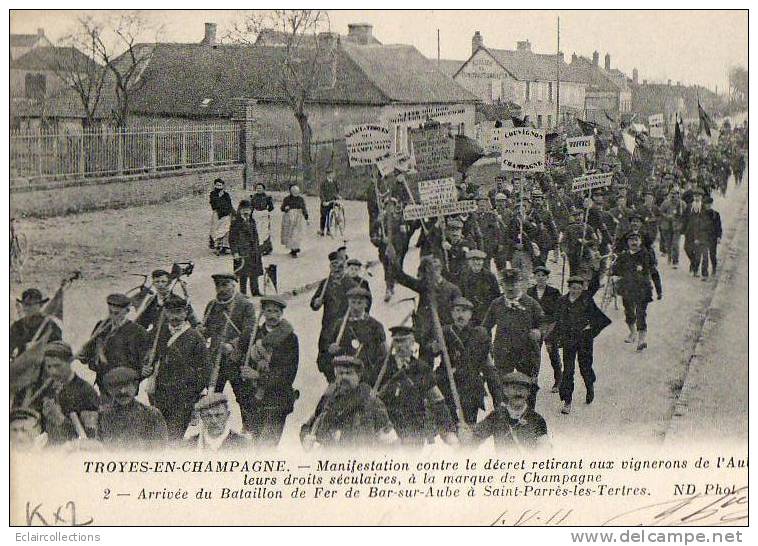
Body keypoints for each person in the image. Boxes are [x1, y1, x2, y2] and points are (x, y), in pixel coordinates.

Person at [372, 325, 456, 447]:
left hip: (413, 429)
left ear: (412, 343)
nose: (400, 346)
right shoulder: (382, 366)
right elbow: (370, 395)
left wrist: (449, 431)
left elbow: (437, 401)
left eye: (404, 341)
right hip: (387, 428)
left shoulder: (422, 368)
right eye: (397, 341)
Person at [143, 295, 210, 442]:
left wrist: (193, 393)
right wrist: (145, 369)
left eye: (178, 312)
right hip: (159, 394)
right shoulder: (157, 334)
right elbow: (146, 356)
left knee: (174, 435)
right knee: (160, 433)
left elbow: (205, 370)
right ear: (165, 313)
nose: (174, 316)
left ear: (186, 313)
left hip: (183, 397)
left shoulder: (195, 337)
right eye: (170, 312)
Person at [200, 273, 257, 433]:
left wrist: (233, 345)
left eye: (225, 285)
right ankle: (213, 430)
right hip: (215, 362)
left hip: (236, 360)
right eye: (218, 286)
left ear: (234, 285)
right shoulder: (212, 305)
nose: (221, 289)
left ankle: (249, 430)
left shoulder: (245, 305)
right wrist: (202, 332)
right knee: (212, 397)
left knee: (244, 398)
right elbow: (208, 330)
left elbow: (250, 330)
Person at [239, 295, 299, 448]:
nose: (273, 315)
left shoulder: (290, 339)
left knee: (267, 447)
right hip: (253, 400)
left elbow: (287, 374)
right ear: (263, 312)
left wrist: (258, 376)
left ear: (282, 314)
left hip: (276, 400)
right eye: (269, 311)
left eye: (277, 312)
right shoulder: (253, 335)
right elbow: (241, 358)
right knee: (252, 445)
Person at [300, 355, 396, 450]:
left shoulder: (371, 402)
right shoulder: (327, 399)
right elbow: (308, 426)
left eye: (349, 373)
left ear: (358, 376)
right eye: (340, 373)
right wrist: (306, 439)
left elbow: (390, 441)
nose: (344, 377)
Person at [432, 297, 501, 425]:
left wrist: (498, 399)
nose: (460, 315)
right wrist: (434, 347)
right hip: (448, 385)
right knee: (450, 426)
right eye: (457, 311)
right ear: (452, 314)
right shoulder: (444, 332)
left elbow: (488, 366)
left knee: (469, 427)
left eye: (464, 311)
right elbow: (429, 353)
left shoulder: (479, 335)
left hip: (470, 388)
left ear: (470, 315)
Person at [481, 269, 544, 408]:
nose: (510, 287)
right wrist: (484, 343)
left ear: (520, 284)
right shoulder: (496, 304)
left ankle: (529, 418)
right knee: (502, 387)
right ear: (501, 285)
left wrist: (539, 331)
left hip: (526, 353)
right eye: (506, 284)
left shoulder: (531, 303)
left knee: (528, 386)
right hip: (503, 352)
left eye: (514, 283)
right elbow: (485, 327)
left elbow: (544, 322)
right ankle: (504, 419)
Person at [553, 276, 611, 414]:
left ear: (582, 288)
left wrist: (590, 331)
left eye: (579, 288)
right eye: (573, 288)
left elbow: (600, 320)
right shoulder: (562, 301)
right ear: (569, 288)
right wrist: (556, 338)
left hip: (584, 340)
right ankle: (567, 401)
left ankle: (589, 386)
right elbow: (557, 321)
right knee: (568, 371)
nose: (576, 291)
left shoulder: (586, 301)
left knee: (585, 367)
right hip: (569, 340)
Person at [392, 254, 462, 362]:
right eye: (428, 271)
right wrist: (393, 260)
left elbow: (458, 312)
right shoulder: (424, 286)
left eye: (433, 270)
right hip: (427, 332)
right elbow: (403, 278)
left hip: (446, 331)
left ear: (439, 270)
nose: (431, 274)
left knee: (450, 363)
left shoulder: (453, 289)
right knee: (424, 364)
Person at [458, 371, 550, 452]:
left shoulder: (537, 420)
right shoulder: (497, 416)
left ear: (528, 392)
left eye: (522, 389)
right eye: (514, 388)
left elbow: (545, 453)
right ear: (505, 391)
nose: (518, 393)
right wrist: (466, 435)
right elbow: (474, 439)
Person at [78, 293, 150, 392]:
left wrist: (134, 379)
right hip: (104, 384)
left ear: (127, 311)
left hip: (125, 387)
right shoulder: (101, 327)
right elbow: (89, 355)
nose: (112, 316)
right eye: (110, 312)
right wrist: (83, 355)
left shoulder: (138, 332)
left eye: (116, 313)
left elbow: (144, 365)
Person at [34, 341, 100, 445]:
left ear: (69, 362)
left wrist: (60, 419)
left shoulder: (86, 391)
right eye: (49, 367)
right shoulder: (47, 389)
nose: (53, 372)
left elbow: (90, 438)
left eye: (57, 366)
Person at [322, 286, 387, 386]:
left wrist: (373, 373)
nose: (355, 307)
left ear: (366, 304)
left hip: (367, 377)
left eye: (359, 303)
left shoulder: (375, 325)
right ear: (348, 303)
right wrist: (330, 349)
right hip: (345, 376)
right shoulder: (339, 325)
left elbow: (383, 354)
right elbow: (327, 350)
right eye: (353, 302)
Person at [312, 251, 358, 382]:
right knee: (324, 359)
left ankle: (346, 381)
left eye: (339, 265)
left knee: (344, 358)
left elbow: (362, 308)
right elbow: (314, 304)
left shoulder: (351, 284)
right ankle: (332, 382)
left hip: (345, 328)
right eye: (333, 265)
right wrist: (316, 302)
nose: (336, 268)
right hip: (327, 327)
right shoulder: (325, 284)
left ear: (344, 266)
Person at [612, 232, 663, 351]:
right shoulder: (623, 256)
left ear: (640, 241)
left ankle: (641, 340)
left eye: (636, 240)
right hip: (627, 289)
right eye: (631, 240)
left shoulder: (646, 255)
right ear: (627, 242)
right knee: (629, 312)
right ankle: (632, 333)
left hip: (642, 289)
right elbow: (615, 271)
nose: (634, 242)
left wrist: (659, 290)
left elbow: (654, 272)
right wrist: (613, 274)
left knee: (641, 314)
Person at [97, 367, 168, 450]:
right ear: (109, 389)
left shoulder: (152, 415)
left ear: (135, 387)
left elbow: (161, 450)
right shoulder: (103, 416)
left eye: (127, 385)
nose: (122, 391)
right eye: (117, 386)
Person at [527, 266, 563, 393]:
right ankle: (533, 379)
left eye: (543, 275)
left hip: (550, 326)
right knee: (533, 354)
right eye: (538, 275)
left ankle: (558, 380)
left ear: (547, 277)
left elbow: (559, 312)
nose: (540, 278)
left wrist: (552, 328)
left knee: (553, 353)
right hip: (535, 326)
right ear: (534, 277)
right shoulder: (529, 292)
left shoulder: (554, 292)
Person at [135, 269, 199, 333]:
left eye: (163, 281)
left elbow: (194, 322)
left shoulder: (178, 301)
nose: (160, 285)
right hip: (157, 338)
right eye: (157, 282)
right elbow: (143, 322)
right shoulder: (151, 301)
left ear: (169, 283)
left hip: (174, 336)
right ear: (153, 284)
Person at [183, 393, 249, 451]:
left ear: (228, 415)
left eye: (218, 415)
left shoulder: (243, 444)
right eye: (208, 416)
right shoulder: (190, 444)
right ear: (202, 417)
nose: (214, 420)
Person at [10, 288, 62, 358]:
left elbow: (58, 348)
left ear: (40, 306)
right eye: (25, 304)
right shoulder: (17, 326)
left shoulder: (50, 326)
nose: (27, 308)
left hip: (43, 363)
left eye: (31, 305)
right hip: (22, 365)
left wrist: (38, 348)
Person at [229, 199, 264, 296]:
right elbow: (232, 239)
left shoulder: (252, 221)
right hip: (242, 251)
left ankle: (255, 291)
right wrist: (235, 252)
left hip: (253, 250)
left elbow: (255, 236)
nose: (246, 211)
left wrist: (258, 248)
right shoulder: (236, 223)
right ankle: (243, 293)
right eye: (244, 209)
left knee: (254, 272)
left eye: (248, 209)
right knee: (243, 273)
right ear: (239, 210)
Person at [458, 249, 501, 326]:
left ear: (483, 262)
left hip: (485, 312)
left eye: (479, 260)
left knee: (484, 333)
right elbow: (461, 293)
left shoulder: (489, 276)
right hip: (470, 311)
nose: (476, 263)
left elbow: (496, 294)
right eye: (473, 260)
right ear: (469, 262)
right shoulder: (464, 275)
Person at [280, 184, 309, 257]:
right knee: (290, 233)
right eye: (293, 191)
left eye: (297, 191)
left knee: (296, 233)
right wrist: (285, 208)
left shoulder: (301, 199)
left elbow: (304, 208)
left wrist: (306, 217)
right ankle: (293, 249)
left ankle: (295, 249)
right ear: (290, 191)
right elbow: (282, 208)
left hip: (298, 218)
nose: (295, 193)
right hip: (289, 218)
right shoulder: (287, 199)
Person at [209, 178, 233, 254]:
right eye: (217, 185)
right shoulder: (213, 194)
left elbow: (229, 205)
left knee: (226, 230)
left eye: (220, 185)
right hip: (217, 214)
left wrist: (231, 213)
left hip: (225, 215)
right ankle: (217, 246)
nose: (219, 187)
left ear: (223, 186)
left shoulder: (226, 195)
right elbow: (214, 205)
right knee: (216, 230)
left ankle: (225, 246)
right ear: (215, 185)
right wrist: (219, 197)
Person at [250, 182, 275, 255]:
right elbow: (251, 206)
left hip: (264, 215)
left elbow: (271, 207)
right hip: (256, 215)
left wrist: (265, 212)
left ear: (263, 189)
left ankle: (266, 249)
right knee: (257, 231)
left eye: (260, 188)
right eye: (257, 188)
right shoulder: (253, 197)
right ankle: (257, 249)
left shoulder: (267, 197)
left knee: (265, 232)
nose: (258, 189)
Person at [319, 169, 340, 236]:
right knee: (324, 216)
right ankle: (322, 230)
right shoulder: (323, 182)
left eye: (332, 174)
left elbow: (336, 191)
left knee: (330, 216)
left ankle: (328, 230)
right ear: (327, 174)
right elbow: (321, 192)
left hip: (332, 201)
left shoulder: (334, 182)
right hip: (325, 202)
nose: (332, 175)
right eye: (330, 174)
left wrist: (337, 196)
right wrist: (323, 201)